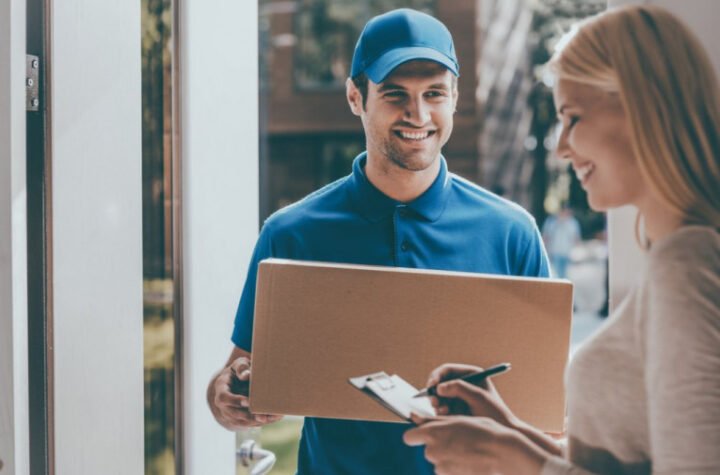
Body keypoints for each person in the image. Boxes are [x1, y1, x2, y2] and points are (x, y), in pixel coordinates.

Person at [206, 8, 550, 475]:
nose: (419, 115)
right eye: (395, 95)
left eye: (434, 94)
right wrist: (225, 395)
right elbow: (239, 370)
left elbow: (549, 412)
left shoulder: (512, 233)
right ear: (355, 97)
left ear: (455, 98)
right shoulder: (291, 234)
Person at [404, 5, 720, 474]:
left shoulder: (687, 265)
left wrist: (516, 461)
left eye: (572, 118)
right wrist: (510, 429)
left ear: (642, 106)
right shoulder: (678, 260)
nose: (560, 146)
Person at [542, 206, 581, 279]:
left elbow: (576, 238)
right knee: (557, 274)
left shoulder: (573, 223)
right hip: (555, 252)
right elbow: (546, 237)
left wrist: (577, 254)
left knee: (565, 275)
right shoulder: (551, 222)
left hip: (567, 252)